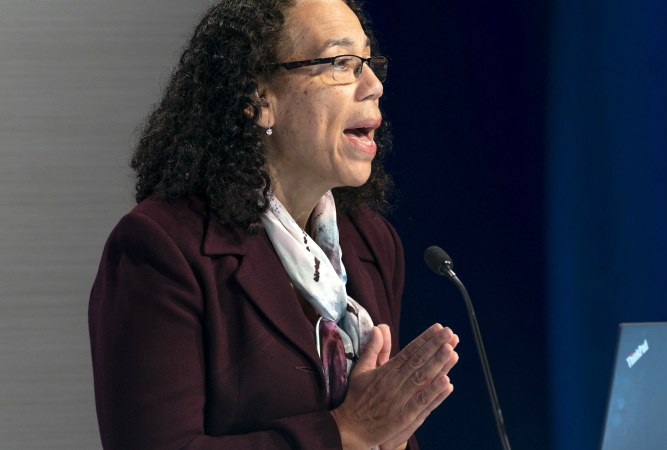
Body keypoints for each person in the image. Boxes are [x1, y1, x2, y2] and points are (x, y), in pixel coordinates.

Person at [88, 0, 459, 448]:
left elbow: (383, 430)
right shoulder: (162, 249)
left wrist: (391, 438)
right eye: (341, 63)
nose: (374, 86)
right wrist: (345, 432)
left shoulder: (372, 241)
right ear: (258, 99)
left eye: (368, 62)